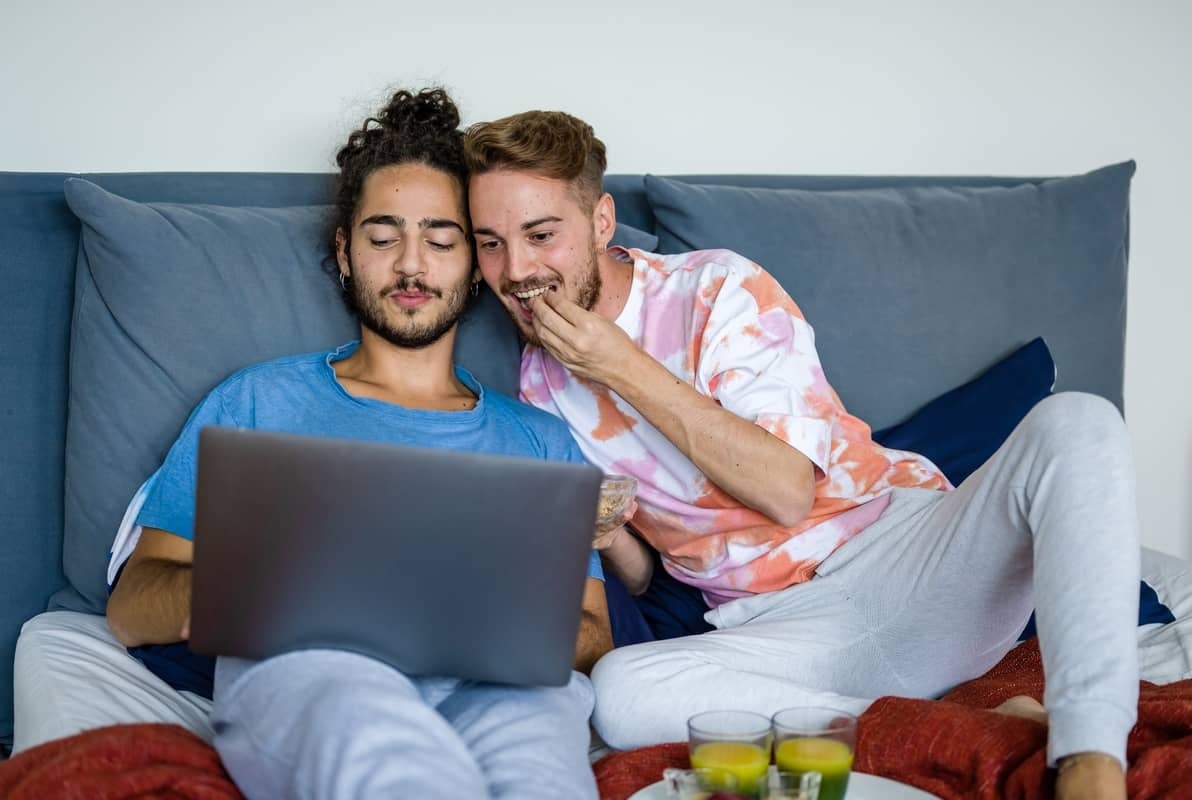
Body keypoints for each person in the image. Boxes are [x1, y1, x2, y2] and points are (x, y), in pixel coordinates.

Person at [462, 110, 1137, 800]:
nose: (516, 271)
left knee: (1078, 422)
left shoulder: (716, 289)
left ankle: (1089, 756)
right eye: (490, 244)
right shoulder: (537, 392)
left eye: (541, 235)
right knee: (622, 693)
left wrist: (620, 365)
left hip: (907, 561)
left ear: (601, 222)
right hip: (780, 633)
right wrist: (607, 534)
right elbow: (643, 581)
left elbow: (787, 491)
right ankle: (960, 728)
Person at [105, 88, 610, 800]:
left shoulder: (540, 440)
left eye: (440, 240)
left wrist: (475, 616)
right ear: (345, 251)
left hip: (499, 686)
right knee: (377, 745)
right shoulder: (258, 402)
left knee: (540, 760)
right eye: (382, 237)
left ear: (473, 265)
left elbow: (593, 633)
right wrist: (247, 593)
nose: (411, 266)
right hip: (312, 671)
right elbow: (132, 606)